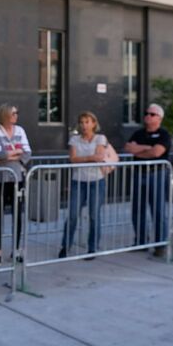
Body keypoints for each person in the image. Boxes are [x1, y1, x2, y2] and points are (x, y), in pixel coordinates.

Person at [124, 104, 171, 258]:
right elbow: (129, 148)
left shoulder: (164, 134)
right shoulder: (138, 133)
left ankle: (160, 244)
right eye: (146, 113)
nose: (148, 116)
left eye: (152, 114)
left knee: (158, 210)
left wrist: (140, 150)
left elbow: (157, 152)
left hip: (157, 174)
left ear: (160, 118)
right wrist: (148, 149)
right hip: (139, 173)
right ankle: (141, 241)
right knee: (138, 209)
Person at [59, 111, 107, 259]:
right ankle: (65, 246)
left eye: (87, 122)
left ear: (94, 123)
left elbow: (99, 157)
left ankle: (92, 248)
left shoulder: (100, 138)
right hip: (78, 181)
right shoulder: (74, 139)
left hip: (96, 181)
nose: (84, 125)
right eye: (81, 122)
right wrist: (90, 157)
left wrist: (84, 158)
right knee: (73, 215)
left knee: (94, 215)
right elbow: (73, 159)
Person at [0, 103, 31, 265]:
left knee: (17, 215)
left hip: (17, 177)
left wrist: (6, 156)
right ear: (5, 114)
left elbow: (27, 154)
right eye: (13, 113)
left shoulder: (20, 130)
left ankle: (16, 250)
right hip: (0, 178)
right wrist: (16, 153)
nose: (16, 115)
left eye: (17, 112)